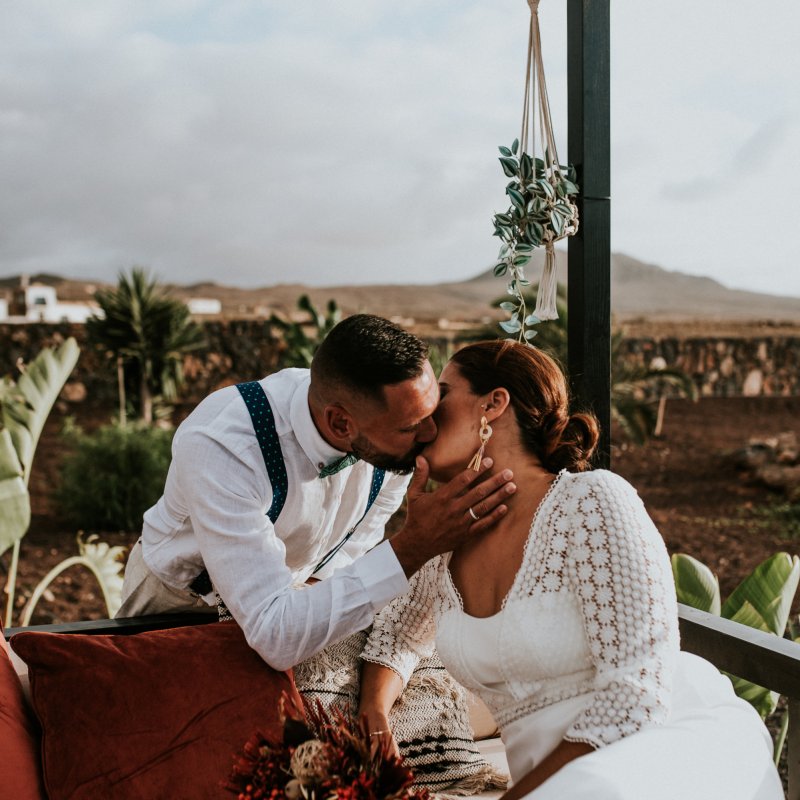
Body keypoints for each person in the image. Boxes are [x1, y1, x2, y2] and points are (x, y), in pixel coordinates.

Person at [358, 339, 782, 799]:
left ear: (493, 404)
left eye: (441, 395)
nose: (425, 420)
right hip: (550, 781)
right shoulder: (447, 540)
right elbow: (398, 637)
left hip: (647, 749)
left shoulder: (591, 503)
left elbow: (636, 693)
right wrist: (375, 717)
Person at [117, 314, 516, 670]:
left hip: (290, 602)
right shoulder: (225, 446)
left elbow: (354, 545)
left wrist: (310, 602)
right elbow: (275, 635)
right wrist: (413, 546)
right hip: (177, 600)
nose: (430, 434)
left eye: (432, 413)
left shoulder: (391, 440)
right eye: (411, 427)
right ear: (341, 424)